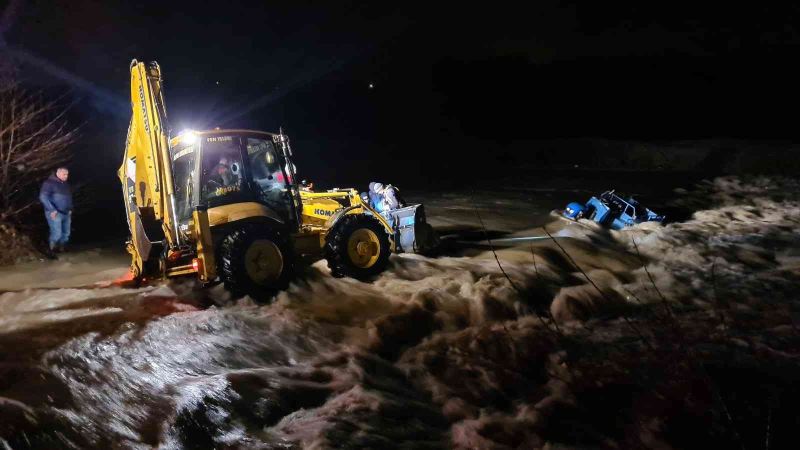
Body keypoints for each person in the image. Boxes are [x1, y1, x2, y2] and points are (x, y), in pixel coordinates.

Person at [39, 167, 73, 257]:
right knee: (56, 233)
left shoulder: (66, 185)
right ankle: (50, 251)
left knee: (66, 233)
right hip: (55, 213)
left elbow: (68, 198)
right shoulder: (49, 183)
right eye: (64, 174)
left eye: (67, 174)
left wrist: (70, 209)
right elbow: (43, 197)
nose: (66, 176)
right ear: (58, 173)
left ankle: (61, 249)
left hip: (66, 213)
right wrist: (52, 210)